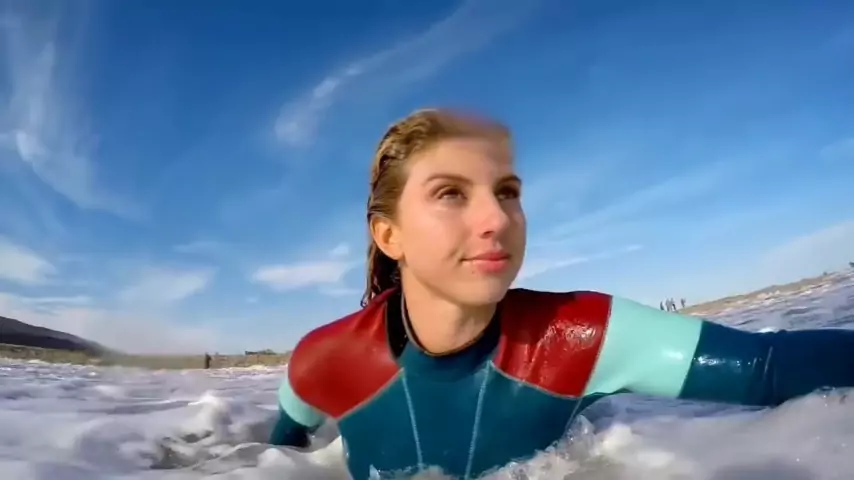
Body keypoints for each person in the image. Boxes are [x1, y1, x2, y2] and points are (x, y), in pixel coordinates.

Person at [269, 108, 854, 480]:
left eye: (507, 192)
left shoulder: (579, 336)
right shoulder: (324, 359)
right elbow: (275, 459)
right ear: (388, 235)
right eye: (450, 193)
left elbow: (766, 366)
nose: (496, 219)